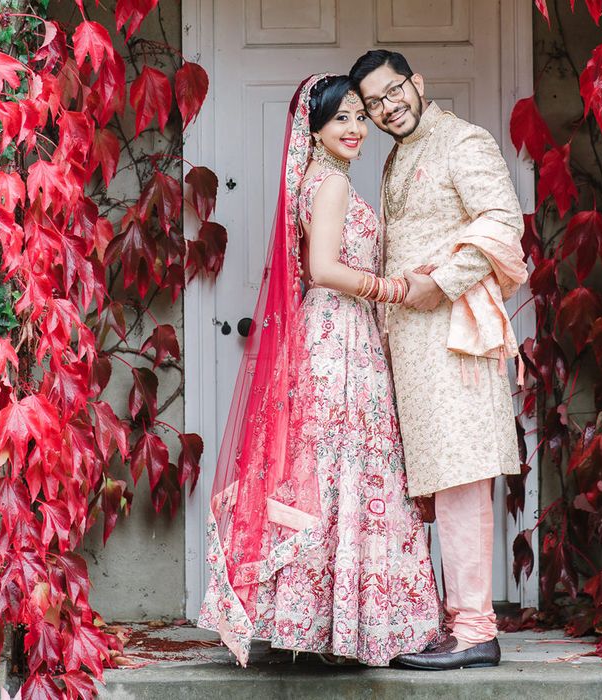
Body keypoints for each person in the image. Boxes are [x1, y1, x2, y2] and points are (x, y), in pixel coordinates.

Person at [198, 74, 440, 668]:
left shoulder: (317, 181)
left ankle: (324, 622)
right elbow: (325, 269)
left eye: (361, 116)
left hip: (336, 332)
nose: (356, 128)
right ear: (315, 130)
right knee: (346, 464)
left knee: (331, 467)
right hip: (338, 333)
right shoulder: (329, 185)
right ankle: (347, 623)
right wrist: (392, 289)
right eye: (341, 119)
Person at [350, 51, 528, 670]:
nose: (387, 106)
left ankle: (476, 630)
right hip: (412, 342)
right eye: (374, 103)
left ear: (416, 83)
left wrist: (444, 282)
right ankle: (449, 622)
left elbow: (504, 223)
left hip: (454, 335)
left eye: (393, 91)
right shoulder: (398, 155)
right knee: (432, 481)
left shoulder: (463, 141)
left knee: (460, 475)